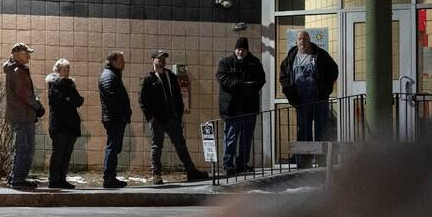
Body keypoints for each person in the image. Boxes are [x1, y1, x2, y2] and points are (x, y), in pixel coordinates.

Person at [137, 51, 210, 185]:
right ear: (153, 60)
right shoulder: (148, 79)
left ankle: (191, 171)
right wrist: (151, 118)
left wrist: (179, 115)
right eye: (160, 58)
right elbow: (142, 100)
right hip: (157, 119)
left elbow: (178, 96)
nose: (163, 61)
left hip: (172, 118)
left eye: (164, 58)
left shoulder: (170, 75)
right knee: (157, 146)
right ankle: (156, 174)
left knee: (180, 145)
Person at [278, 31, 339, 164]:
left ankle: (322, 161)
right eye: (299, 39)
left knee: (321, 130)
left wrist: (325, 90)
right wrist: (290, 94)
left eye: (304, 39)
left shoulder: (320, 55)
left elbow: (334, 70)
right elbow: (283, 77)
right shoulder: (291, 58)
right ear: (296, 42)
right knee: (303, 131)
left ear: (309, 41)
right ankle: (303, 163)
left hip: (319, 100)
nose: (302, 42)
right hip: (301, 102)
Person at [215, 37, 267, 176]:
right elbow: (221, 78)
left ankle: (242, 164)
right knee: (230, 137)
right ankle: (228, 165)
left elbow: (261, 79)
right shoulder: (225, 63)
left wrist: (249, 87)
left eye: (242, 50)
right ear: (235, 49)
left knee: (246, 138)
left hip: (249, 107)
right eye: (238, 49)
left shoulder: (254, 63)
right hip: (231, 108)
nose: (240, 52)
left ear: (247, 50)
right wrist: (240, 85)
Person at [3, 42, 44, 189]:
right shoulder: (18, 71)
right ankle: (18, 180)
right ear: (17, 54)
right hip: (23, 115)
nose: (29, 56)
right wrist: (37, 106)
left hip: (20, 115)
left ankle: (16, 177)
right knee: (25, 148)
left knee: (22, 148)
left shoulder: (14, 69)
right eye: (26, 53)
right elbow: (25, 94)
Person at [46, 58, 84, 189]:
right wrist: (69, 99)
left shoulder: (70, 84)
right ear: (58, 70)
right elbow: (58, 101)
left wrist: (69, 99)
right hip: (59, 125)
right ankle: (54, 180)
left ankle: (62, 179)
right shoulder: (54, 84)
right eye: (64, 69)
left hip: (71, 124)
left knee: (67, 153)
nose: (67, 71)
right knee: (58, 153)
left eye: (68, 68)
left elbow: (79, 101)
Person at [98, 51, 132, 189]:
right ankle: (108, 177)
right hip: (114, 118)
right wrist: (122, 113)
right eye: (121, 60)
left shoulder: (112, 75)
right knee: (112, 148)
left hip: (115, 118)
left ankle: (111, 176)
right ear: (113, 61)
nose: (124, 63)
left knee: (114, 147)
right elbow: (112, 99)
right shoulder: (109, 76)